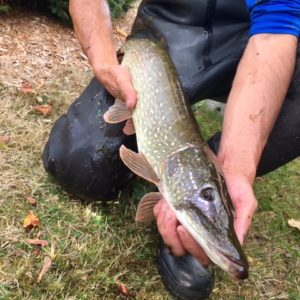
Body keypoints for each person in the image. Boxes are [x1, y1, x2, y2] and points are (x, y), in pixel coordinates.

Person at [43, 0, 300, 299]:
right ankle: (182, 184)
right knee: (78, 163)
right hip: (164, 33)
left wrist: (236, 165)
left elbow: (275, 26)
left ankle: (195, 191)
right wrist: (104, 60)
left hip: (252, 41)